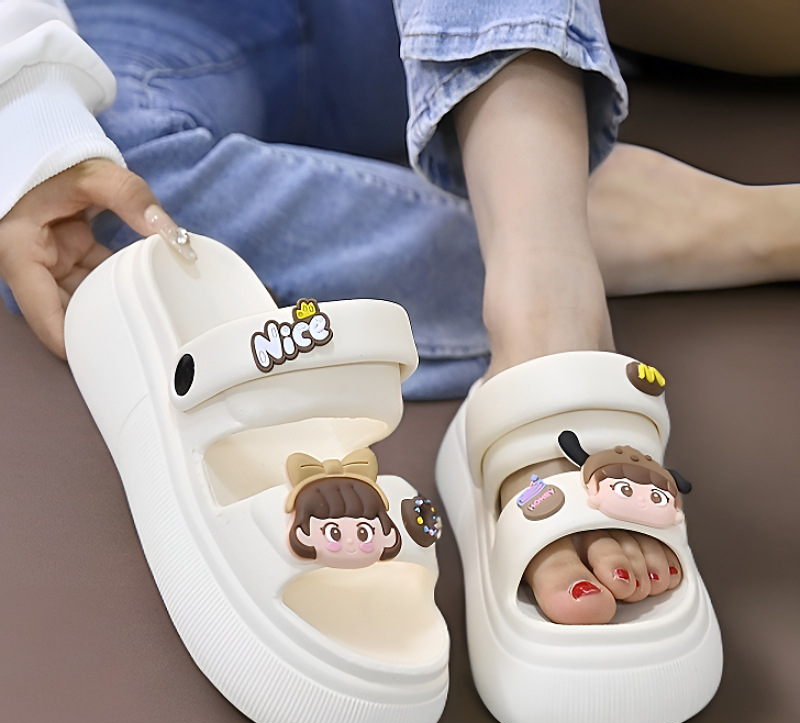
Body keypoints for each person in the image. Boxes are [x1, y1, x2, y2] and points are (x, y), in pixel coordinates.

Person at [1, 0, 798, 625]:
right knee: (86, 199)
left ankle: (546, 320)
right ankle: (583, 210)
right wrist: (30, 109)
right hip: (148, 17)